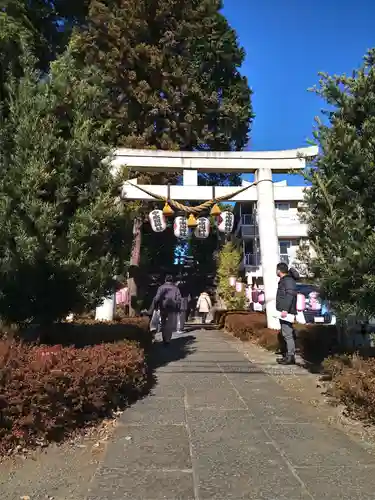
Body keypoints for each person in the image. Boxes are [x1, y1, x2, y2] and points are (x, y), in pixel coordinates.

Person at [276, 263, 298, 365]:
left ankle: (291, 357)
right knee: (286, 333)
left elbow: (290, 295)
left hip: (287, 312)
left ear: (279, 270)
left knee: (288, 334)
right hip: (284, 311)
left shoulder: (288, 280)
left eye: (276, 270)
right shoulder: (285, 280)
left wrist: (285, 309)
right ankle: (287, 355)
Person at [153, 275, 181, 345]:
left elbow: (157, 298)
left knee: (163, 322)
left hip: (163, 307)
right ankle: (168, 339)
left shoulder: (161, 287)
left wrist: (156, 306)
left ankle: (164, 337)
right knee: (170, 324)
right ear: (172, 280)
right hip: (172, 308)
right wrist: (178, 308)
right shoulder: (176, 288)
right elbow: (179, 299)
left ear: (165, 280)